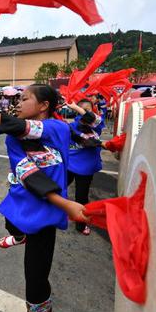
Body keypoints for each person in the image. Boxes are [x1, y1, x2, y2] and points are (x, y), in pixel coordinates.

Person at [0, 84, 88, 312]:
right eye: (18, 99)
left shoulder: (57, 128)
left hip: (46, 212)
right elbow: (25, 171)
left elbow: (20, 126)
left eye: (25, 98)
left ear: (44, 106)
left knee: (35, 279)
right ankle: (20, 235)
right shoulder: (13, 140)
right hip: (23, 200)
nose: (18, 103)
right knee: (10, 223)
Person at [65, 99, 104, 235]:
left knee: (81, 198)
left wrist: (79, 109)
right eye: (82, 109)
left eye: (89, 110)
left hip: (86, 169)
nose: (86, 113)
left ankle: (80, 225)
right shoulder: (71, 126)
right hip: (69, 166)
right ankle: (55, 213)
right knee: (58, 189)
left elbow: (93, 119)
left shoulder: (96, 125)